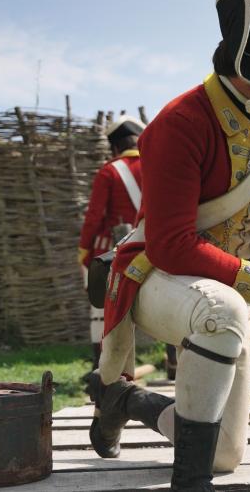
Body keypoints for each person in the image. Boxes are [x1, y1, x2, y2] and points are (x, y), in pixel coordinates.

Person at [84, 0, 250, 490]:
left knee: (225, 455)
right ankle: (189, 482)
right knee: (223, 313)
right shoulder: (180, 122)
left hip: (233, 297)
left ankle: (124, 400)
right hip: (158, 277)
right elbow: (170, 243)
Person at [78, 115, 144, 370]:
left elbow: (94, 216)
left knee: (101, 308)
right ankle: (172, 360)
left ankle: (100, 366)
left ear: (115, 146)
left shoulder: (109, 171)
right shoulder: (156, 166)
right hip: (153, 246)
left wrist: (84, 250)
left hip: (111, 249)